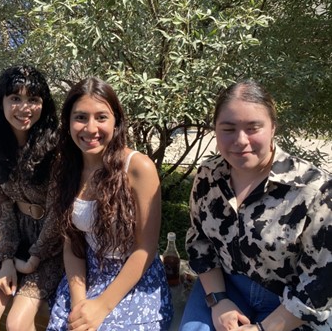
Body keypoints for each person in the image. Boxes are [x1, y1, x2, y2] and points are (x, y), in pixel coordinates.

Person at [179, 80, 332, 331]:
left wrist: (263, 329)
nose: (240, 140)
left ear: (273, 127)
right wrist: (218, 301)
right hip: (226, 286)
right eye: (228, 128)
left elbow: (322, 281)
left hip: (291, 306)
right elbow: (200, 243)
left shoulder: (315, 189)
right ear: (215, 129)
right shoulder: (208, 176)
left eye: (253, 128)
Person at [47, 77, 173, 330]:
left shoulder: (138, 168)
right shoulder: (66, 169)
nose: (90, 128)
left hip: (135, 279)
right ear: (68, 122)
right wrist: (80, 302)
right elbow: (72, 245)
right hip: (86, 275)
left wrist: (101, 307)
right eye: (81, 117)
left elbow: (145, 249)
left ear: (116, 121)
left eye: (101, 117)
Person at [0, 65, 63, 331]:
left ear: (43, 105)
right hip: (14, 236)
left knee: (17, 322)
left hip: (52, 244)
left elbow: (60, 210)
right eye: (15, 98)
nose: (24, 108)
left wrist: (34, 258)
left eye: (33, 100)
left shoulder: (57, 147)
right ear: (0, 101)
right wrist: (6, 259)